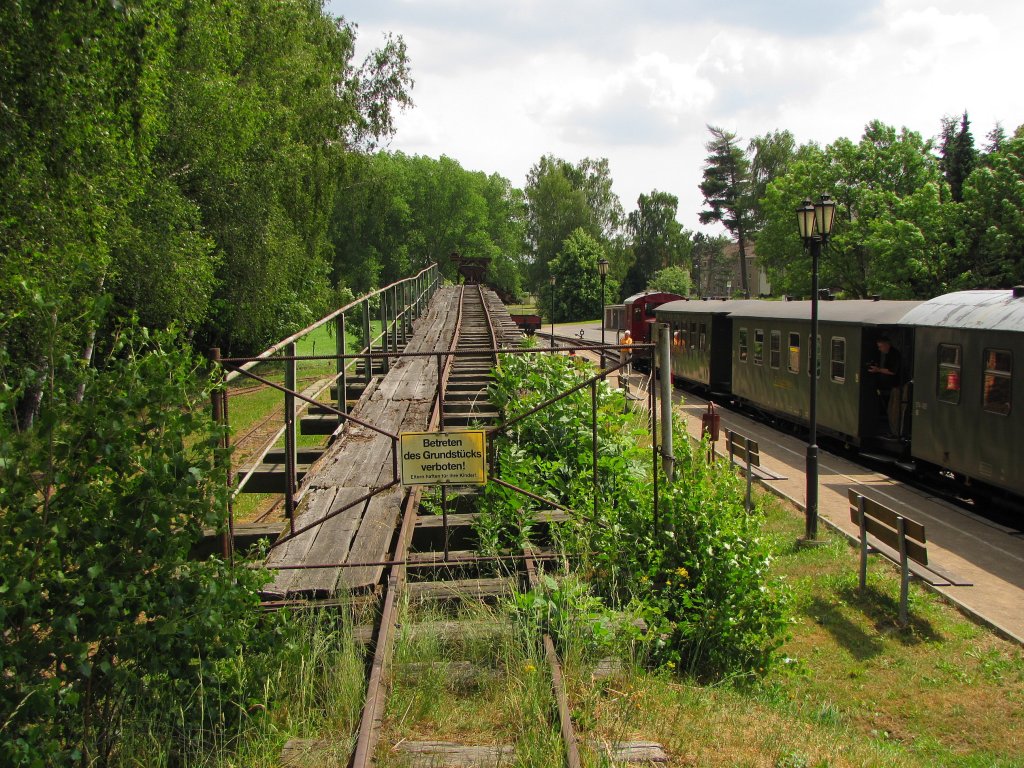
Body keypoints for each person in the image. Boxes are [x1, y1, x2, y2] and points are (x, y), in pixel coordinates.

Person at [867, 335, 902, 436]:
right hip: (893, 386)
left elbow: (892, 371)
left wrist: (877, 370)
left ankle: (895, 432)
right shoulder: (888, 354)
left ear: (887, 345)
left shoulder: (894, 354)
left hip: (898, 386)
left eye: (881, 346)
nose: (879, 349)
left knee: (893, 410)